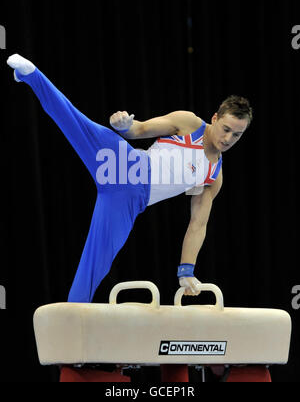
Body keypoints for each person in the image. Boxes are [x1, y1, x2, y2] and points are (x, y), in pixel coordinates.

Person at [7, 54, 253, 302]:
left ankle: (71, 323)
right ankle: (32, 75)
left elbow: (197, 225)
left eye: (237, 135)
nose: (229, 139)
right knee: (75, 122)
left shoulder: (213, 176)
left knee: (96, 264)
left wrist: (186, 269)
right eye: (226, 129)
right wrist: (124, 125)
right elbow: (141, 129)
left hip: (129, 203)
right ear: (215, 119)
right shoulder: (189, 123)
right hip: (124, 163)